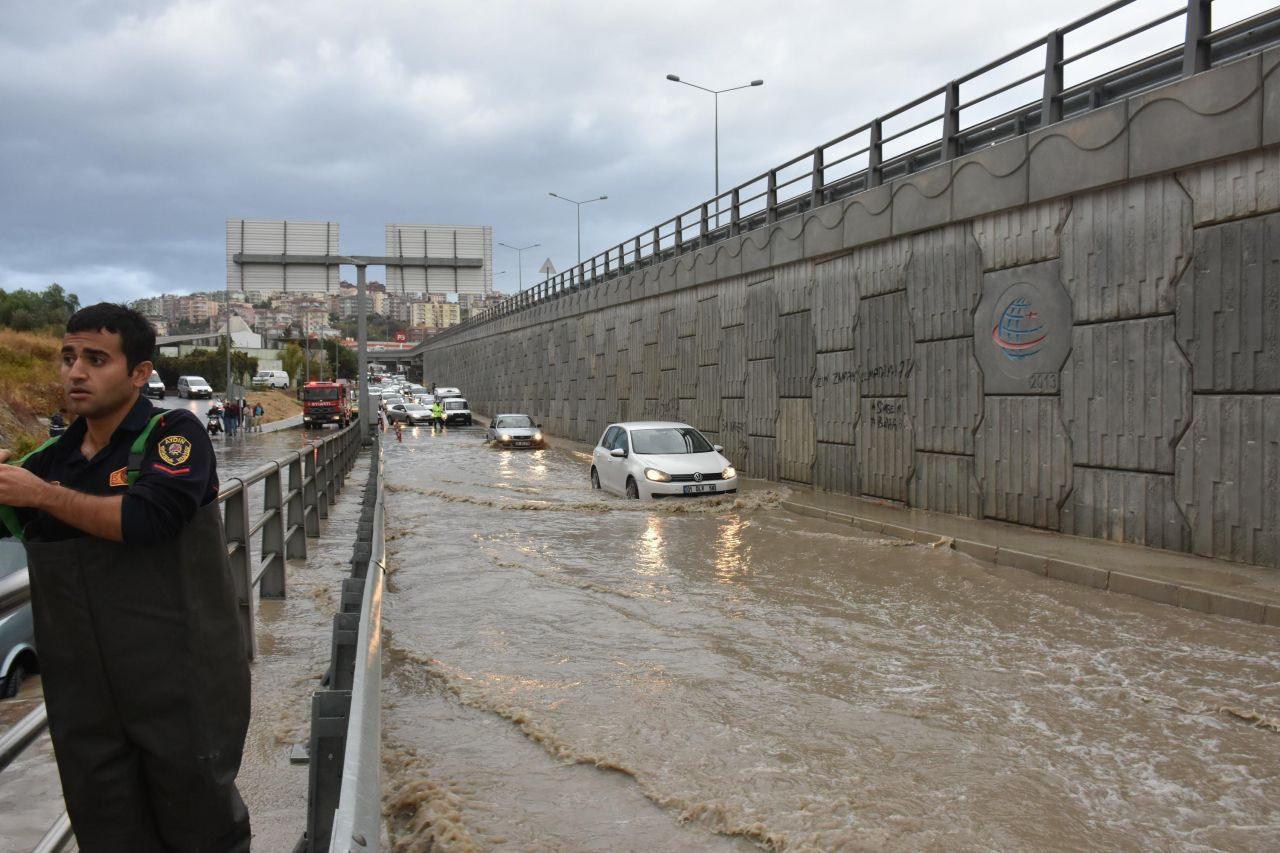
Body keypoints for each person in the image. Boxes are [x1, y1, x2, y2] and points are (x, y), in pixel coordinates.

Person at [0, 303, 251, 851]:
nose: (75, 372)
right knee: (106, 826)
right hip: (83, 693)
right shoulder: (50, 458)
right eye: (68, 358)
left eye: (95, 359)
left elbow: (147, 519)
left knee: (200, 826)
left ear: (140, 372)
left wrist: (40, 496)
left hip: (180, 681)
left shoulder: (172, 435)